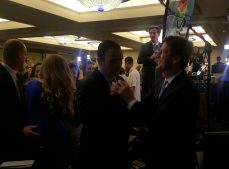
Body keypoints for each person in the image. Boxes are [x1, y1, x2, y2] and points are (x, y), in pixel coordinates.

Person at [112, 36, 200, 169]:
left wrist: (130, 99)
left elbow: (157, 122)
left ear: (176, 59)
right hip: (156, 156)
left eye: (163, 52)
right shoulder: (160, 82)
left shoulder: (187, 89)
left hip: (174, 160)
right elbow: (146, 107)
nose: (157, 56)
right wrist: (122, 95)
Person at [76, 40, 129, 169]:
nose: (118, 65)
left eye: (120, 60)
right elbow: (89, 121)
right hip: (96, 153)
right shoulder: (87, 84)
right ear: (100, 61)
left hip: (119, 150)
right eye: (113, 61)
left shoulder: (120, 81)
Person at [25, 54, 76, 169]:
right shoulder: (65, 89)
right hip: (59, 136)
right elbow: (70, 114)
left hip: (38, 134)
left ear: (45, 68)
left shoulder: (34, 86)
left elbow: (24, 110)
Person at [0, 39, 32, 163]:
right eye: (25, 55)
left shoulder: (16, 75)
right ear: (19, 56)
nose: (25, 59)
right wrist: (19, 130)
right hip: (5, 143)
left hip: (17, 141)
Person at [138, 25, 161, 98]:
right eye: (150, 33)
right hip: (147, 80)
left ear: (158, 34)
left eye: (154, 33)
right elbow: (139, 60)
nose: (152, 35)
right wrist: (151, 57)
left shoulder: (163, 46)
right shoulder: (144, 46)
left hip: (160, 78)